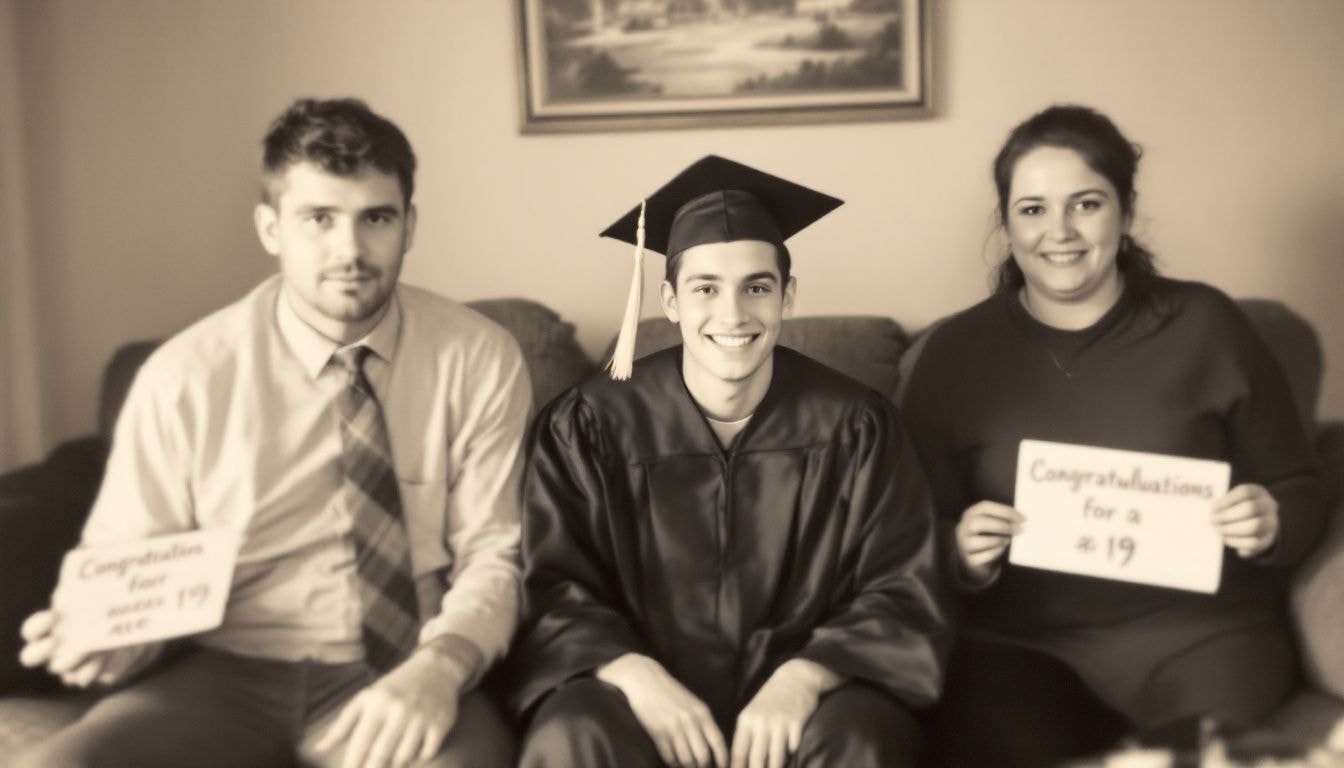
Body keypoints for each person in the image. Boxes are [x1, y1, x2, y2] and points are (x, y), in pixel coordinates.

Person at [15, 98, 530, 768]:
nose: (349, 250)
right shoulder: (184, 377)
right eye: (319, 219)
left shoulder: (481, 357)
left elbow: (496, 555)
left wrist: (440, 670)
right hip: (229, 671)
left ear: (409, 225)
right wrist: (105, 639)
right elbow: (132, 565)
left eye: (376, 217)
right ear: (270, 228)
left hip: (410, 664)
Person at [899, 104, 1328, 767]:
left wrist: (1271, 520)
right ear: (1007, 224)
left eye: (1086, 204)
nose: (1060, 231)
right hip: (1021, 649)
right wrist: (959, 551)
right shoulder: (952, 355)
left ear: (1125, 215)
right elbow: (901, 536)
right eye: (1033, 209)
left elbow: (1300, 487)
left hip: (1204, 641)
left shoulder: (1207, 325)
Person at [504, 155, 948, 768]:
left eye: (757, 287)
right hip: (635, 693)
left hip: (809, 693)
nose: (734, 314)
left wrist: (807, 677)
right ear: (670, 300)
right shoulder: (588, 425)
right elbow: (547, 584)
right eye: (706, 288)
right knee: (573, 735)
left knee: (861, 741)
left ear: (787, 296)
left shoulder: (855, 425)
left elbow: (901, 582)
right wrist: (634, 676)